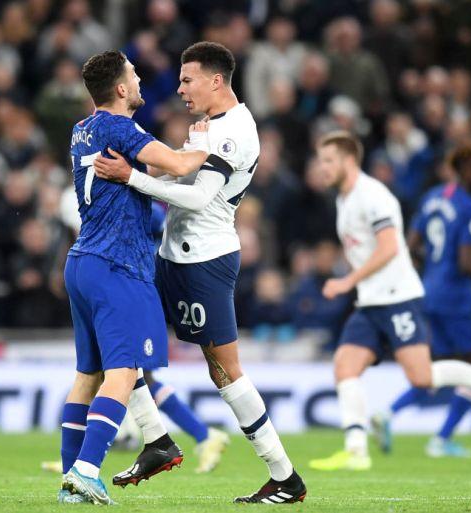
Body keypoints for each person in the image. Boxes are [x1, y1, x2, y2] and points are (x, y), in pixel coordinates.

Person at [94, 41, 306, 504]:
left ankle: (284, 475)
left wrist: (131, 177)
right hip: (174, 255)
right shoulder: (208, 125)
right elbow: (180, 179)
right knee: (123, 342)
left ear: (216, 80)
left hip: (203, 261)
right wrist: (155, 163)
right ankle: (156, 440)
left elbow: (196, 198)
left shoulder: (233, 131)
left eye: (187, 80)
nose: (180, 88)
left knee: (226, 372)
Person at [306, 131, 471, 472]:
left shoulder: (372, 195)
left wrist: (348, 280)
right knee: (344, 367)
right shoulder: (345, 198)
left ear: (349, 161)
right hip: (371, 301)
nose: (321, 168)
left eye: (328, 160)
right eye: (321, 160)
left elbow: (392, 247)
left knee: (421, 377)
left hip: (397, 298)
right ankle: (355, 451)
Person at [59, 50, 211, 505]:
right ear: (122, 89)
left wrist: (150, 167)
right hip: (118, 265)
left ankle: (72, 481)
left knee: (88, 375)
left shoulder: (84, 129)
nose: (140, 78)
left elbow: (155, 164)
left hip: (83, 262)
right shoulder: (118, 128)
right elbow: (183, 167)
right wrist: (205, 140)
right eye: (134, 74)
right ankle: (87, 470)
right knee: (123, 372)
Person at [373, 143, 471, 458]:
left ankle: (389, 413)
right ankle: (442, 438)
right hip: (457, 296)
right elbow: (467, 264)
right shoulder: (470, 206)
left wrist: (433, 267)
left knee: (441, 368)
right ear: (468, 169)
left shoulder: (432, 198)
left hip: (430, 292)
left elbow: (410, 246)